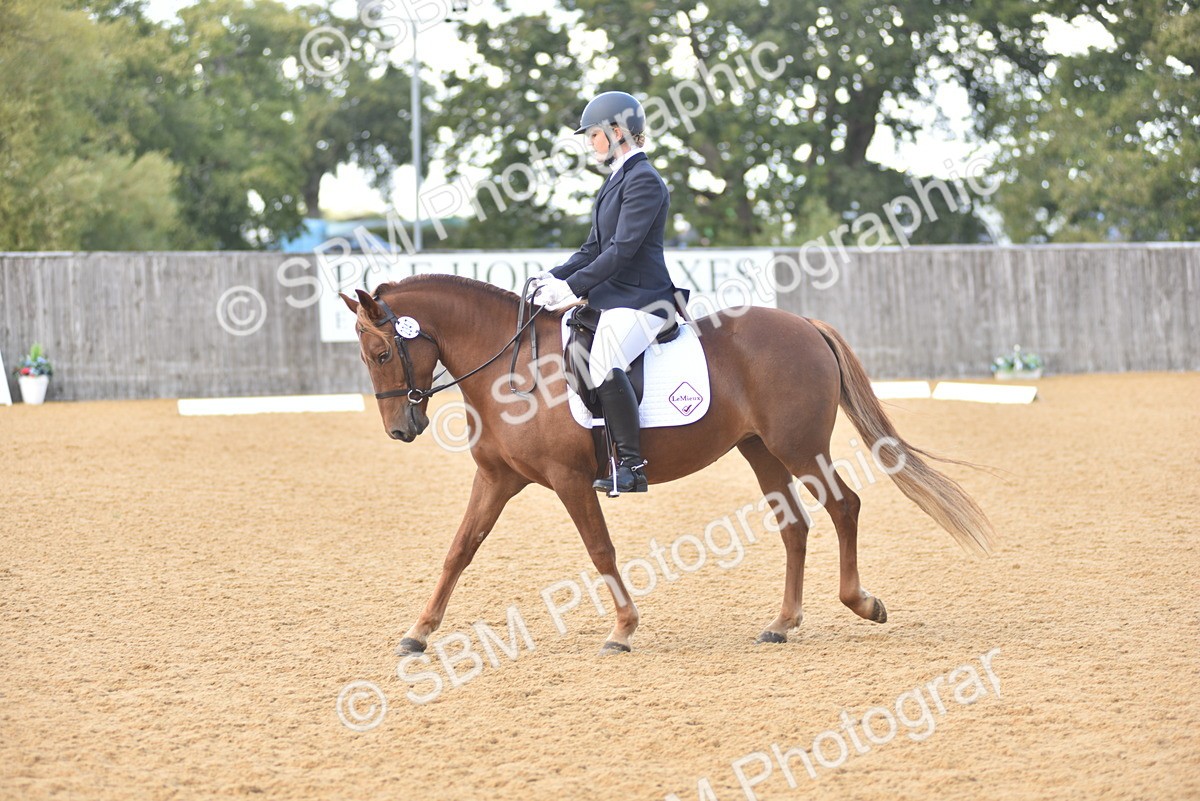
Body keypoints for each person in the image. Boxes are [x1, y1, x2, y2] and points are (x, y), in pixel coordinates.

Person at [529, 90, 678, 494]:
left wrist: (573, 287)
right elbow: (593, 249)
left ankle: (632, 464)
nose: (588, 142)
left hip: (643, 298)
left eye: (592, 134)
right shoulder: (616, 179)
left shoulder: (644, 179)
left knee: (604, 360)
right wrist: (552, 276)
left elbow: (623, 250)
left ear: (616, 132)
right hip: (616, 297)